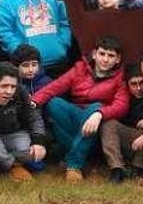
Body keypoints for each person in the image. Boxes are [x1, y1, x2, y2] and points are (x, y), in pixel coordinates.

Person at [32, 36, 130, 182]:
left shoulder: (121, 77)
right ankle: (77, 150)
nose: (105, 59)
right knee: (54, 103)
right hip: (76, 116)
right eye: (102, 54)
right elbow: (55, 87)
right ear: (94, 54)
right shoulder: (80, 69)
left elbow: (122, 105)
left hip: (98, 123)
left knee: (96, 106)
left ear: (118, 59)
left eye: (111, 56)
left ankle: (73, 164)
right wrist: (34, 101)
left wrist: (99, 113)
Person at [100, 62, 143, 182]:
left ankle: (138, 168)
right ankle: (117, 169)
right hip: (128, 139)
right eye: (133, 84)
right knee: (109, 124)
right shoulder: (123, 98)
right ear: (127, 85)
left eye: (142, 83)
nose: (138, 88)